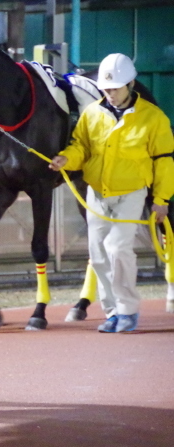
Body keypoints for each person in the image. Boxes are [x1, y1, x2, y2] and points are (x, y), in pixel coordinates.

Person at [49, 53, 174, 333]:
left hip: (132, 193)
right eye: (106, 89)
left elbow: (165, 161)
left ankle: (128, 310)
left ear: (130, 84)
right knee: (98, 253)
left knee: (117, 248)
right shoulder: (92, 113)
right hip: (97, 193)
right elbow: (81, 147)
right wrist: (66, 159)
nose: (110, 94)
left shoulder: (154, 119)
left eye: (115, 88)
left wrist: (161, 200)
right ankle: (113, 312)